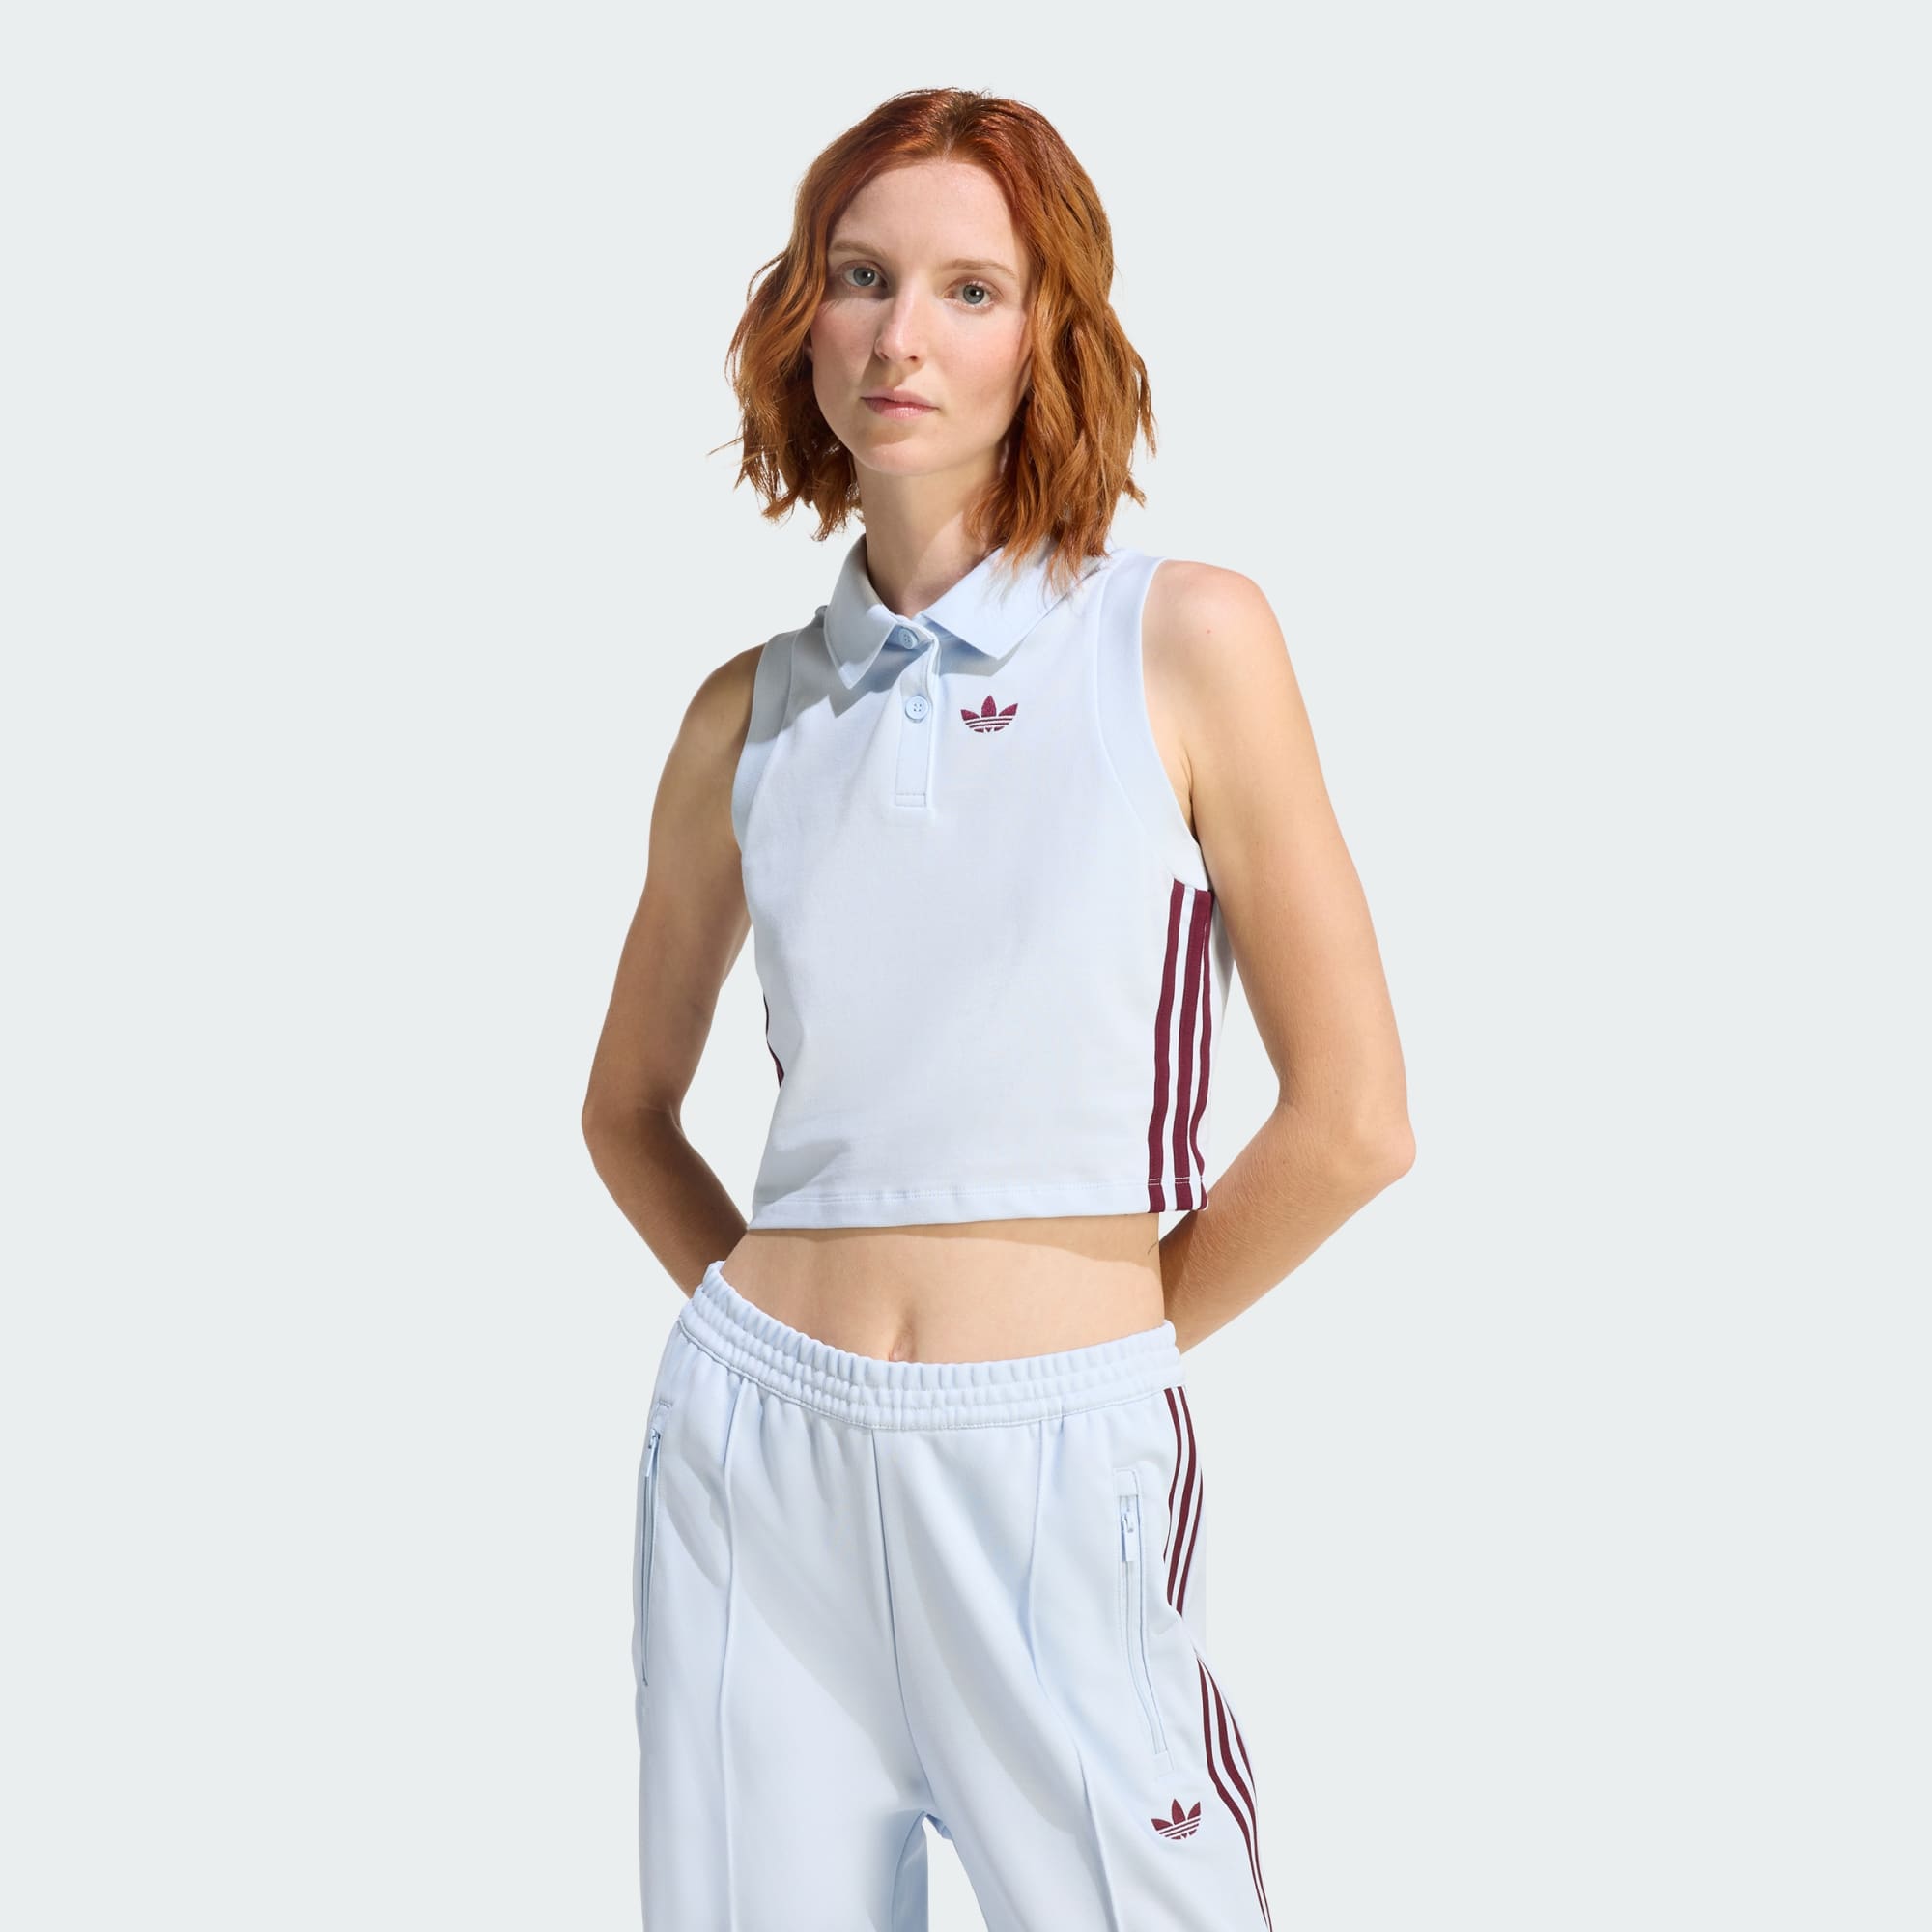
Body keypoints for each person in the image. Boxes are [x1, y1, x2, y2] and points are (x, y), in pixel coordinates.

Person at [582, 85, 1413, 1932]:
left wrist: (1101, 1344)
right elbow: (624, 1109)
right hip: (753, 1475)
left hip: (1055, 1458)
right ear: (801, 321)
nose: (901, 335)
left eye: (971, 289)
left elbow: (1356, 1121)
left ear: (1050, 336)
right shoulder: (745, 716)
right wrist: (768, 1345)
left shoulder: (1181, 641)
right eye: (859, 277)